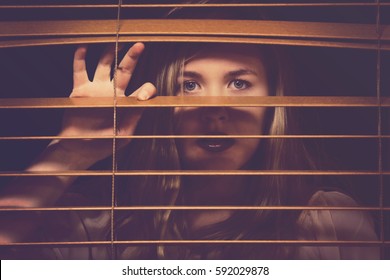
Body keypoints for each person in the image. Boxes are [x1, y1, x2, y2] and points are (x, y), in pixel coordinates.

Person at [0, 2, 380, 260]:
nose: (214, 108)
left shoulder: (328, 223)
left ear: (272, 105)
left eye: (240, 84)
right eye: (190, 85)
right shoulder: (96, 223)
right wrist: (69, 153)